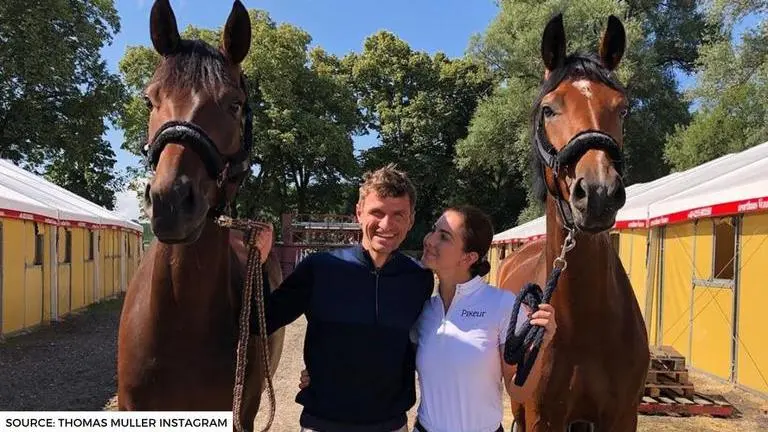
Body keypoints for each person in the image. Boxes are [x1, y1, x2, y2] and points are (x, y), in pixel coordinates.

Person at [300, 206, 557, 432]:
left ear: (468, 258)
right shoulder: (423, 309)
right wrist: (326, 371)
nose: (429, 240)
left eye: (444, 237)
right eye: (434, 230)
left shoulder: (502, 305)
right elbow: (380, 357)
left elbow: (518, 391)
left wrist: (541, 347)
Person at [256, 163, 435, 432]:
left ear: (410, 220)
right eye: (377, 212)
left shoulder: (419, 279)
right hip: (323, 423)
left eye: (399, 214)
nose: (387, 224)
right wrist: (257, 264)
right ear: (359, 213)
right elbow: (260, 322)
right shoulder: (320, 269)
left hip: (390, 425)